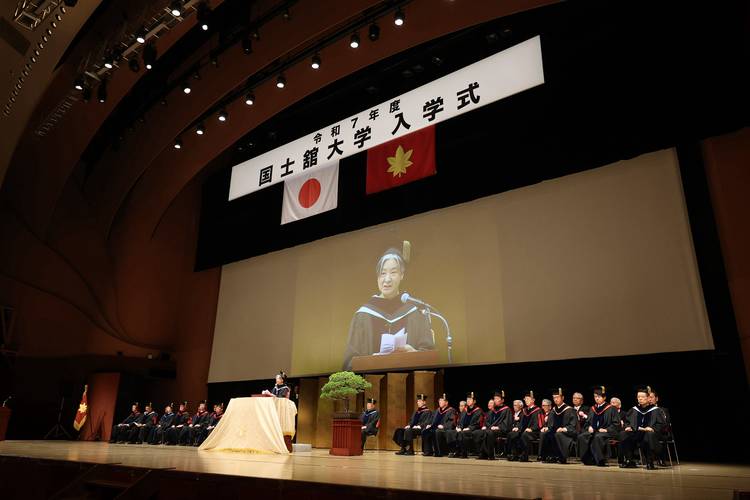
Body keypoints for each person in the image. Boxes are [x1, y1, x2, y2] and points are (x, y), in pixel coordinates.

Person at [342, 248, 435, 371]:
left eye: (393, 272)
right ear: (377, 277)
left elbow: (429, 356)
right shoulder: (363, 315)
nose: (387, 279)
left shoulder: (414, 312)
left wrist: (414, 354)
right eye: (383, 273)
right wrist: (371, 362)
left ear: (402, 275)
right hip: (371, 381)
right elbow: (349, 362)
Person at [620, 387, 666, 470]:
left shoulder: (656, 410)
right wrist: (628, 427)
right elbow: (627, 421)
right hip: (636, 433)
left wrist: (652, 428)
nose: (640, 399)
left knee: (648, 435)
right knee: (624, 434)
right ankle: (629, 461)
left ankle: (649, 462)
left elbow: (661, 424)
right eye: (638, 397)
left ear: (648, 398)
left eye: (642, 397)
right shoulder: (634, 410)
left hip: (651, 434)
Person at [578, 386, 619, 466]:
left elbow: (616, 424)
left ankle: (600, 460)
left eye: (599, 397)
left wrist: (606, 430)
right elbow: (587, 422)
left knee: (598, 437)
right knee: (582, 436)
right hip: (594, 431)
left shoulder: (611, 409)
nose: (596, 398)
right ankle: (587, 459)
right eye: (595, 397)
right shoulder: (593, 409)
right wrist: (589, 427)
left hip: (607, 432)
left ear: (604, 398)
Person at [507, 391, 544, 462]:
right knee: (512, 434)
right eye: (525, 399)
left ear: (533, 400)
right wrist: (518, 428)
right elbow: (521, 422)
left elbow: (540, 423)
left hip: (534, 432)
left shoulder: (538, 410)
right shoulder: (525, 410)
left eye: (528, 399)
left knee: (524, 435)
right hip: (524, 430)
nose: (526, 400)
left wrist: (532, 429)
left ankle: (524, 456)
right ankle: (514, 455)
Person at [476, 390, 512, 460]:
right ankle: (482, 453)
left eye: (497, 399)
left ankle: (490, 455)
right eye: (494, 398)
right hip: (491, 429)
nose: (495, 400)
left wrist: (498, 427)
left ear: (502, 400)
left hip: (502, 430)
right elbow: (487, 421)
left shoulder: (507, 410)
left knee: (489, 433)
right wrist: (486, 426)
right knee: (479, 432)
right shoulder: (492, 411)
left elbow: (507, 423)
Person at [547, 389, 578, 464]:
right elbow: (550, 424)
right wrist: (547, 427)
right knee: (546, 433)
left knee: (558, 434)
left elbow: (573, 425)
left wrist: (564, 429)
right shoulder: (553, 410)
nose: (555, 399)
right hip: (556, 431)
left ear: (562, 398)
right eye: (554, 398)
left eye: (557, 397)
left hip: (567, 433)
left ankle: (561, 457)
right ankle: (550, 456)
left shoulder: (570, 410)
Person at [449, 392, 483, 458]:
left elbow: (478, 423)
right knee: (450, 432)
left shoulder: (478, 411)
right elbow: (460, 420)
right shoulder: (465, 410)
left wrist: (469, 428)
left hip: (473, 430)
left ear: (474, 401)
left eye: (470, 399)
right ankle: (454, 451)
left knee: (462, 433)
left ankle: (463, 453)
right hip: (463, 429)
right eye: (467, 399)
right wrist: (458, 427)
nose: (468, 401)